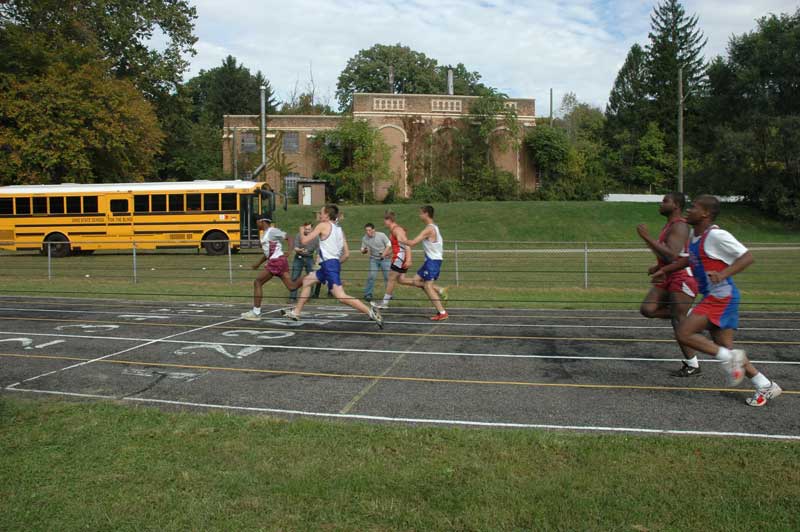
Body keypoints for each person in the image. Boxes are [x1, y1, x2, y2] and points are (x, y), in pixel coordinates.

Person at [652, 195, 782, 407]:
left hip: (721, 297)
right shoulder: (695, 235)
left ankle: (731, 361)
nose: (688, 210)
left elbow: (747, 257)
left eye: (693, 207)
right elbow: (689, 259)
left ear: (705, 213)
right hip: (717, 297)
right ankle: (765, 384)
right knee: (726, 346)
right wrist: (663, 270)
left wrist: (723, 274)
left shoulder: (717, 235)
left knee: (684, 332)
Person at [282, 204, 383, 328]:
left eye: (321, 213)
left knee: (341, 296)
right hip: (330, 264)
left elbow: (304, 241)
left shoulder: (323, 225)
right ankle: (296, 312)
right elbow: (346, 255)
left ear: (327, 215)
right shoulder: (339, 230)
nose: (319, 215)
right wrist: (334, 264)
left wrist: (301, 231)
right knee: (307, 281)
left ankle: (371, 312)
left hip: (329, 265)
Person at [636, 192, 700, 377]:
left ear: (676, 206)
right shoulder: (670, 226)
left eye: (665, 201)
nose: (661, 203)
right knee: (648, 309)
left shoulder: (680, 225)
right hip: (668, 274)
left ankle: (692, 364)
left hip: (681, 277)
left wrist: (646, 237)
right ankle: (687, 313)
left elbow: (672, 254)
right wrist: (658, 266)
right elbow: (675, 254)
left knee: (677, 321)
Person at [240, 215, 302, 321]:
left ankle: (256, 313)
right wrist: (258, 263)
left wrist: (290, 250)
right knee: (292, 287)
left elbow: (289, 237)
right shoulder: (265, 234)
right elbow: (267, 253)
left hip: (276, 261)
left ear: (262, 221)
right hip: (279, 261)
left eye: (257, 222)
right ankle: (310, 277)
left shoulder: (272, 231)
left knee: (257, 282)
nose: (256, 224)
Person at [398, 205, 449, 321]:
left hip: (433, 261)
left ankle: (442, 312)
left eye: (420, 213)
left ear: (426, 214)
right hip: (429, 261)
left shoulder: (429, 229)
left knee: (427, 286)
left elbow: (412, 243)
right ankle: (439, 290)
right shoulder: (433, 227)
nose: (419, 215)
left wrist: (399, 239)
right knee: (416, 281)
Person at [372, 211, 412, 310]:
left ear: (389, 220)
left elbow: (406, 244)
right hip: (400, 256)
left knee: (391, 278)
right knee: (401, 280)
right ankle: (425, 285)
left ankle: (384, 303)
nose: (384, 222)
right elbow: (393, 247)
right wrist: (384, 255)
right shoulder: (393, 231)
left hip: (400, 257)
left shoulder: (397, 230)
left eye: (385, 220)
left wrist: (409, 259)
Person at [289, 221, 320, 302]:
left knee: (311, 277)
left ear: (312, 229)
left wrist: (316, 263)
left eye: (309, 229)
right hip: (298, 258)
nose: (307, 231)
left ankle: (308, 297)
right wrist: (299, 250)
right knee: (294, 277)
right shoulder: (299, 235)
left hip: (309, 258)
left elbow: (318, 252)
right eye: (305, 229)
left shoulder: (316, 238)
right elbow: (295, 247)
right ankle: (292, 297)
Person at [360, 223, 391, 302]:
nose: (368, 232)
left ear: (374, 230)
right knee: (372, 276)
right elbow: (362, 249)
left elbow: (389, 245)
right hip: (374, 259)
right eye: (366, 230)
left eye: (369, 230)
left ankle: (389, 295)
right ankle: (368, 294)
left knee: (388, 277)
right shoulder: (365, 238)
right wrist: (364, 251)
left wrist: (384, 254)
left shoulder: (381, 235)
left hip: (385, 259)